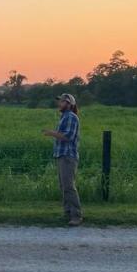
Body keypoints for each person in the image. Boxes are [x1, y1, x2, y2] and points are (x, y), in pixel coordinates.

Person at [43, 93, 83, 226]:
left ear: (68, 104)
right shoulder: (64, 117)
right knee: (64, 186)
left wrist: (51, 133)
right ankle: (67, 213)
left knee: (69, 186)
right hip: (62, 155)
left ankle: (76, 215)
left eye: (61, 102)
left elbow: (68, 137)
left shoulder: (71, 117)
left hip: (68, 156)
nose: (59, 104)